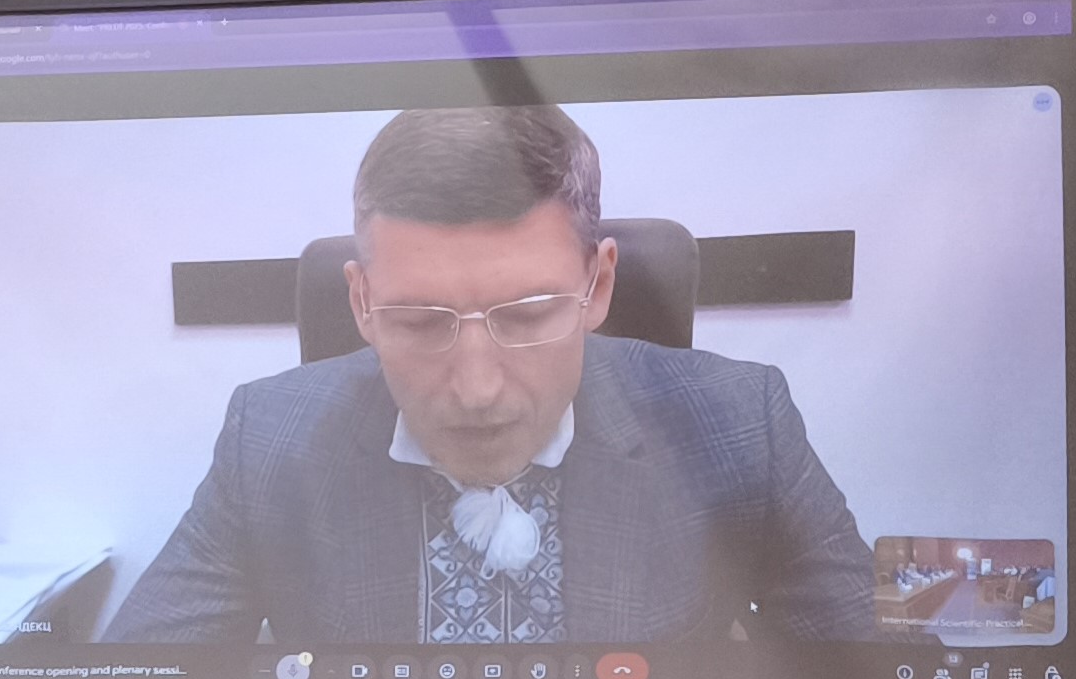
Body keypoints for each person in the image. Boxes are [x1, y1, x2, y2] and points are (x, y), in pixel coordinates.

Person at [104, 105, 876, 646]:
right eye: (419, 321)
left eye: (527, 314)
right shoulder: (267, 438)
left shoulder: (739, 423)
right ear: (361, 301)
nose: (476, 392)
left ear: (598, 284)